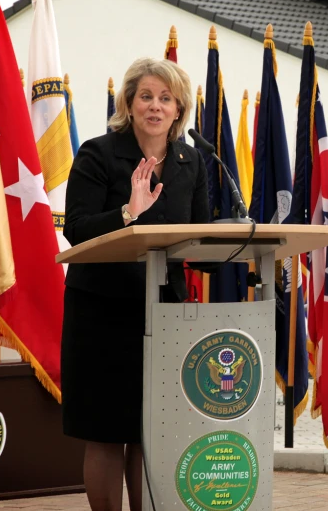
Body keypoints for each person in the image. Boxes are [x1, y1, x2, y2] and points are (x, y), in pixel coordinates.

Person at [61, 57, 209, 511]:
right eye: (146, 96)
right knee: (108, 432)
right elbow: (78, 229)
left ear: (179, 108)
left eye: (166, 98)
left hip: (164, 312)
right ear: (128, 103)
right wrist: (129, 212)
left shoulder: (190, 160)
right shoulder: (98, 153)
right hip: (103, 313)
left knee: (153, 429)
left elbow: (199, 234)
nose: (155, 106)